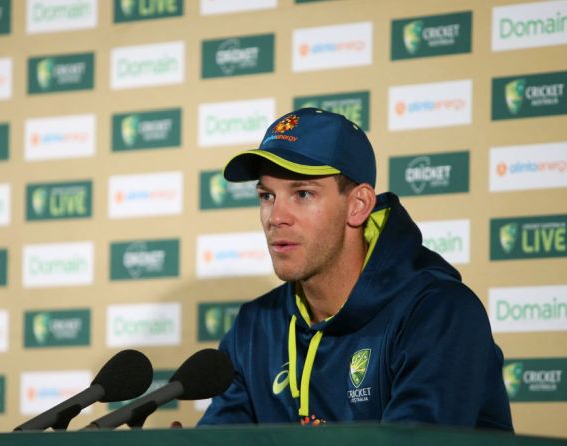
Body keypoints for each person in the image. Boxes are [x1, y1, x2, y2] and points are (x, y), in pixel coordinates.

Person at [198, 108, 513, 430]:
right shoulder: (254, 327)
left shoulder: (437, 312)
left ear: (359, 205)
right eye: (267, 196)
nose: (276, 217)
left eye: (303, 194)